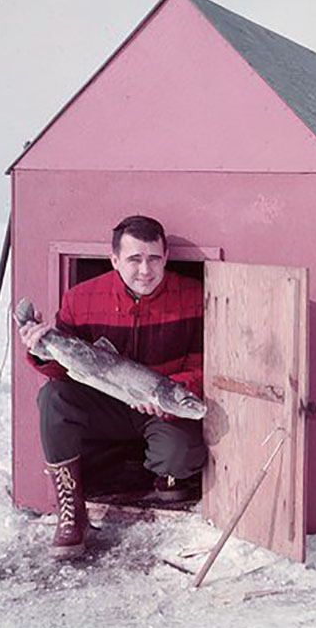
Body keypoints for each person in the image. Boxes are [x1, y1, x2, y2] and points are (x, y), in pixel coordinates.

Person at [18, 215, 206, 559]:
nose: (145, 270)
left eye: (154, 258)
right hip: (105, 405)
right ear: (114, 260)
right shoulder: (80, 298)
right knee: (52, 397)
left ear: (165, 257)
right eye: (134, 259)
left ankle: (165, 474)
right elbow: (65, 368)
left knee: (179, 457)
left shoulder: (195, 296)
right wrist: (39, 349)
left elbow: (204, 361)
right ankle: (72, 512)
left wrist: (174, 390)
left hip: (161, 407)